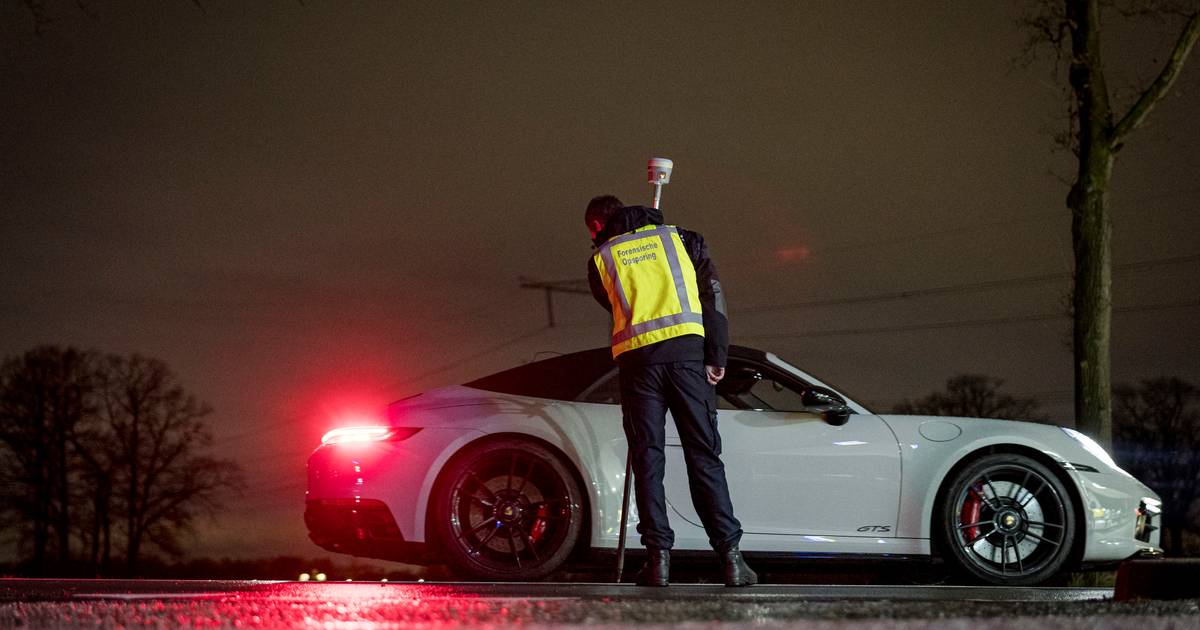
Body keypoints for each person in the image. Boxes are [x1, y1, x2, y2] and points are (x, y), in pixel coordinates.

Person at [584, 194, 756, 587]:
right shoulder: (683, 239)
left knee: (648, 461)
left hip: (638, 366)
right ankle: (731, 559)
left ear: (596, 226)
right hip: (687, 360)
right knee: (704, 457)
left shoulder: (601, 261)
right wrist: (716, 354)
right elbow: (711, 298)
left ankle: (657, 562)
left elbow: (614, 306)